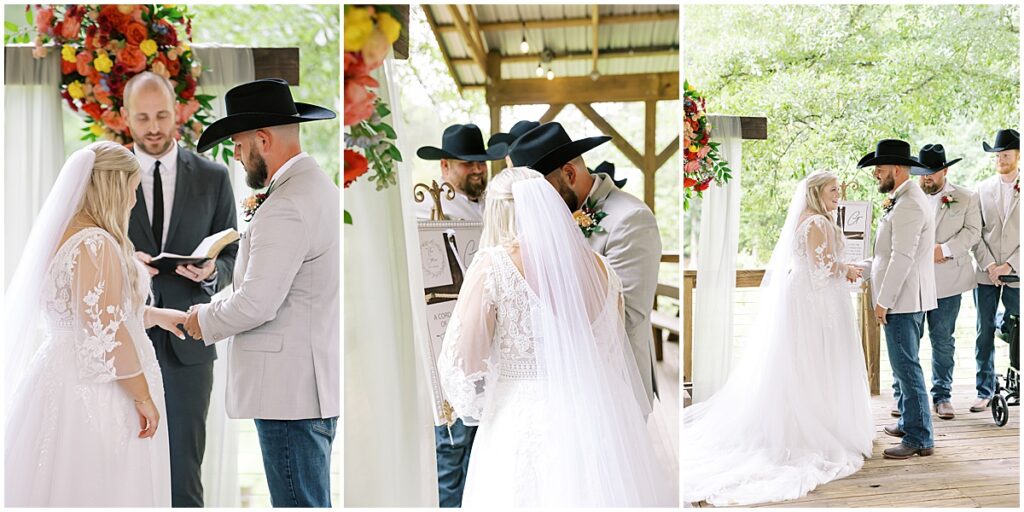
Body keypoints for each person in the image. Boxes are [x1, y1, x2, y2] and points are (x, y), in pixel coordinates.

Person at [437, 167, 674, 507]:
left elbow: (462, 367)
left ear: (499, 213)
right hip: (604, 425)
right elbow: (612, 351)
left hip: (523, 426)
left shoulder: (494, 266)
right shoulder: (604, 270)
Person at [182, 78, 340, 507]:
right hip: (306, 390)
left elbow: (258, 302)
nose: (235, 154)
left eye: (237, 143)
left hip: (289, 398)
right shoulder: (316, 187)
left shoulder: (287, 204)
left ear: (263, 139)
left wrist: (202, 320)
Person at [4, 142, 188, 506]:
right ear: (113, 187)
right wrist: (143, 396)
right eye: (132, 190)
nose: (133, 201)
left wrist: (153, 316)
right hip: (97, 391)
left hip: (60, 374)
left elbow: (88, 311)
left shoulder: (64, 233)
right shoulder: (94, 243)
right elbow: (105, 332)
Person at [682, 170, 873, 506]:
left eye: (838, 190)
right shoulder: (819, 223)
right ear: (815, 192)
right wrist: (850, 269)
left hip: (801, 297)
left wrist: (840, 266)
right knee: (816, 361)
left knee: (803, 363)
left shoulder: (806, 218)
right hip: (816, 302)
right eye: (832, 190)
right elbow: (822, 269)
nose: (838, 195)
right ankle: (813, 430)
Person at [122, 71, 238, 507]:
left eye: (162, 116)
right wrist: (124, 263)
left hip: (189, 343)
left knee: (184, 472)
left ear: (178, 113)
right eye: (143, 118)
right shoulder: (107, 175)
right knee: (125, 462)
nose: (153, 127)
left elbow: (234, 255)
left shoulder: (214, 176)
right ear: (125, 117)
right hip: (123, 339)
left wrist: (211, 273)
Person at [509, 122, 662, 406]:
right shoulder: (547, 221)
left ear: (569, 173)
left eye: (541, 193)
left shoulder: (630, 219)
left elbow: (625, 316)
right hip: (562, 388)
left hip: (617, 386)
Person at [416, 122, 506, 506]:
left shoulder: (493, 208)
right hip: (445, 339)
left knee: (485, 443)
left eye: (481, 163)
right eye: (467, 164)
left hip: (494, 343)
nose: (476, 170)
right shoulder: (424, 215)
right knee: (451, 447)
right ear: (445, 167)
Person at [858, 139, 938, 460]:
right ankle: (908, 422)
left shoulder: (909, 204)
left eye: (879, 168)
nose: (875, 173)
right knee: (903, 366)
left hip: (903, 300)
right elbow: (884, 255)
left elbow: (901, 257)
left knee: (907, 368)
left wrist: (883, 300)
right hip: (902, 299)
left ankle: (920, 437)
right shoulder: (902, 199)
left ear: (896, 168)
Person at [889, 144, 980, 421]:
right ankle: (903, 395)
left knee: (943, 340)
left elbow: (973, 232)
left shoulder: (966, 197)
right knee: (907, 342)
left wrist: (946, 249)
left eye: (931, 173)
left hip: (948, 282)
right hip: (911, 282)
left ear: (945, 170)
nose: (925, 178)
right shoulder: (904, 197)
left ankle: (942, 396)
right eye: (921, 173)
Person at [971, 128, 1020, 413]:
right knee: (983, 331)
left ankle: (1019, 382)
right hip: (985, 272)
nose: (1001, 159)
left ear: (1017, 155)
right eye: (997, 155)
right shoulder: (982, 188)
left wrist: (1010, 265)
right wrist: (990, 265)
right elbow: (975, 233)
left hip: (1017, 272)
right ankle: (984, 390)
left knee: (1019, 328)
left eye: (1006, 154)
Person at [415, 123, 507, 222]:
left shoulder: (495, 200)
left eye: (482, 161)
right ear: (445, 165)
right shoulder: (427, 209)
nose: (478, 169)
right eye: (468, 163)